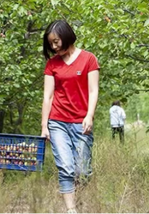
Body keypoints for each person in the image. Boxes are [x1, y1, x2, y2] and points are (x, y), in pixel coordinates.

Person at [41, 20, 100, 214]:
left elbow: (93, 90)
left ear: (67, 37)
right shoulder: (52, 64)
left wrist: (89, 116)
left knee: (82, 171)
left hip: (81, 121)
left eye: (56, 41)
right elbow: (48, 96)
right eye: (51, 44)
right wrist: (44, 126)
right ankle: (71, 210)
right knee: (66, 167)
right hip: (57, 121)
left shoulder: (88, 59)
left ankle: (78, 200)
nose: (54, 47)